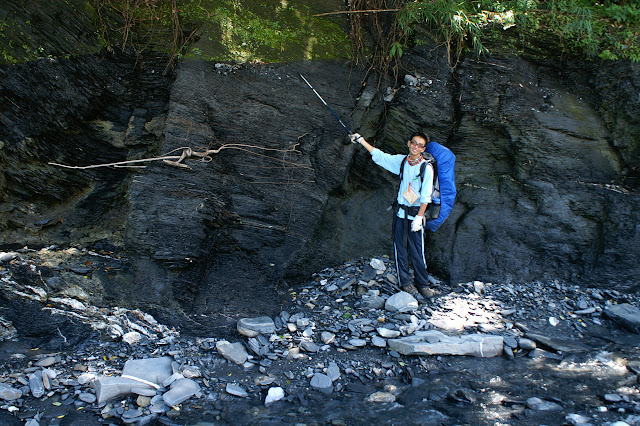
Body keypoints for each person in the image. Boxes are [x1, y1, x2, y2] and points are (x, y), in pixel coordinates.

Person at [350, 131, 437, 299]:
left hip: (415, 214)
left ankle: (423, 284)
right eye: (414, 142)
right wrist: (361, 140)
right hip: (400, 212)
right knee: (399, 249)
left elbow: (426, 196)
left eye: (420, 145)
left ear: (423, 149)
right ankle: (406, 283)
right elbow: (381, 157)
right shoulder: (402, 161)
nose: (415, 146)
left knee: (417, 251)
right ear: (409, 143)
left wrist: (419, 217)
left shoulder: (426, 168)